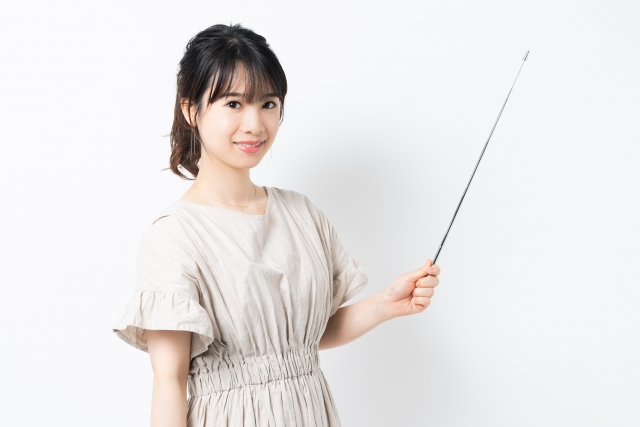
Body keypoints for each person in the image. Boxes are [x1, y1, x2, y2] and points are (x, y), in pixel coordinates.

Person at [112, 23, 441, 427]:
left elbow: (300, 340)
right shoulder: (174, 235)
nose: (255, 124)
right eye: (234, 103)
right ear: (191, 110)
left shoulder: (301, 213)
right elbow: (169, 380)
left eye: (268, 103)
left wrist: (384, 304)